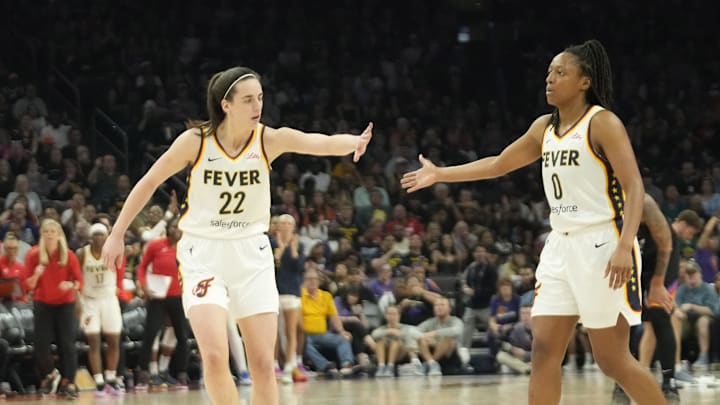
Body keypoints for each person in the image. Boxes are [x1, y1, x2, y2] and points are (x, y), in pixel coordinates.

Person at [401, 40, 666, 404]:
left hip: (603, 244)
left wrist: (624, 246)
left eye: (560, 73)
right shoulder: (544, 127)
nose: (550, 79)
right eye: (548, 73)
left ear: (584, 81)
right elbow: (498, 163)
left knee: (612, 360)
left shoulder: (602, 122)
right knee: (543, 351)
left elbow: (634, 186)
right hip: (560, 245)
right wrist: (441, 173)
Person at [102, 66, 372, 405]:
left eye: (259, 97)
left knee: (262, 364)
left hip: (252, 253)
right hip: (203, 253)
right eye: (247, 99)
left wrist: (353, 142)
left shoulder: (266, 139)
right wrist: (117, 233)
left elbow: (313, 141)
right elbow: (149, 182)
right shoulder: (196, 142)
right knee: (215, 356)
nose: (257, 105)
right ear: (225, 104)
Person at [613, 203, 702, 404]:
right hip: (637, 264)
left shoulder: (661, 226)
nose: (691, 236)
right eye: (691, 231)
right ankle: (625, 380)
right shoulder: (624, 212)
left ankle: (668, 380)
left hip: (661, 269)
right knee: (627, 320)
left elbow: (665, 253)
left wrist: (656, 283)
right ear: (684, 223)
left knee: (661, 319)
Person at [24, 219, 82, 399]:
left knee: (67, 344)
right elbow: (28, 285)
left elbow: (79, 281)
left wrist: (70, 285)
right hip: (43, 303)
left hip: (65, 304)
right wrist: (36, 274)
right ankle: (51, 374)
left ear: (59, 235)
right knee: (40, 346)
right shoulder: (33, 255)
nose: (49, 235)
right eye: (46, 231)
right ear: (41, 234)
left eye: (52, 232)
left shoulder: (69, 255)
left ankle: (69, 382)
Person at [77, 223, 125, 397]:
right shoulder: (82, 253)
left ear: (106, 236)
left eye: (101, 234)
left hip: (109, 299)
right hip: (89, 301)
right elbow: (76, 278)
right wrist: (79, 307)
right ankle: (98, 382)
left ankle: (111, 379)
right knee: (93, 341)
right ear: (91, 237)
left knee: (113, 339)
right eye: (95, 234)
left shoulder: (113, 251)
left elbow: (121, 270)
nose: (98, 237)